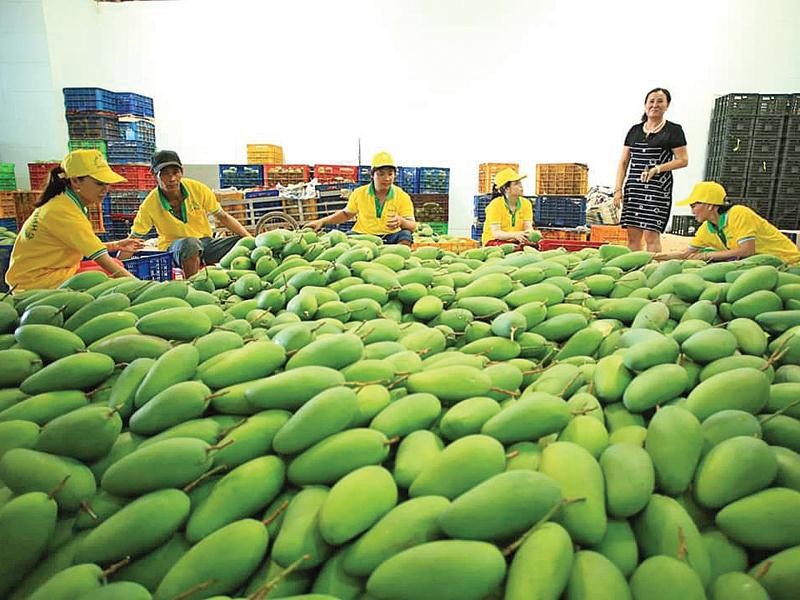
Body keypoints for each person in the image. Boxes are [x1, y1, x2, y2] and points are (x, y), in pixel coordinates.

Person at [6, 149, 143, 291]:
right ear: (75, 181)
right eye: (99, 183)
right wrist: (141, 287)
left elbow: (79, 243)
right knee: (110, 274)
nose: (105, 189)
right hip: (35, 282)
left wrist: (115, 245)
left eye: (107, 184)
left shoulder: (64, 202)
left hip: (48, 272)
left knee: (116, 264)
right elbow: (103, 260)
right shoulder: (63, 211)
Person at [124, 150, 251, 277]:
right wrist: (117, 264)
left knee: (242, 243)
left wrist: (250, 239)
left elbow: (222, 216)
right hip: (174, 249)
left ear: (181, 172)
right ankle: (193, 284)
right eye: (165, 174)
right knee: (190, 244)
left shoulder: (198, 189)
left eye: (175, 173)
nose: (172, 179)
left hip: (205, 244)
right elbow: (134, 238)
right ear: (154, 175)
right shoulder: (150, 204)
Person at [614, 87, 689, 252]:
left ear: (667, 105)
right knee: (632, 237)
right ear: (645, 104)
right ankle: (633, 270)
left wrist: (658, 168)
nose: (655, 105)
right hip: (634, 188)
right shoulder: (634, 130)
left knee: (651, 236)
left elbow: (683, 160)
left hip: (657, 190)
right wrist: (618, 190)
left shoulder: (673, 130)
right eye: (651, 101)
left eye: (660, 101)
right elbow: (623, 162)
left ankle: (652, 271)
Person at [655, 181, 800, 263]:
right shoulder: (707, 228)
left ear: (710, 205)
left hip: (788, 264)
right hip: (761, 267)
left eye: (694, 206)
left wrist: (705, 256)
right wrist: (651, 258)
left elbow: (747, 251)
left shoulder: (739, 213)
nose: (692, 211)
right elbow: (685, 253)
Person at [305, 151, 416, 245]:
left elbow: (412, 226)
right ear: (372, 175)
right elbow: (346, 214)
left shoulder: (402, 196)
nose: (386, 178)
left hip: (390, 236)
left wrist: (401, 221)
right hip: (362, 235)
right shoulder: (359, 193)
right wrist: (321, 222)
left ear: (394, 175)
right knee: (344, 240)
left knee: (406, 235)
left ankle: (399, 259)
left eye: (390, 174)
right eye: (381, 174)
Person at [480, 168, 535, 246]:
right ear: (506, 189)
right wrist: (515, 235)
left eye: (520, 183)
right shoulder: (495, 205)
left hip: (515, 241)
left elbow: (528, 226)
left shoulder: (526, 203)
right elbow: (496, 233)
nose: (521, 186)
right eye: (516, 183)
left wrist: (531, 233)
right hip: (494, 242)